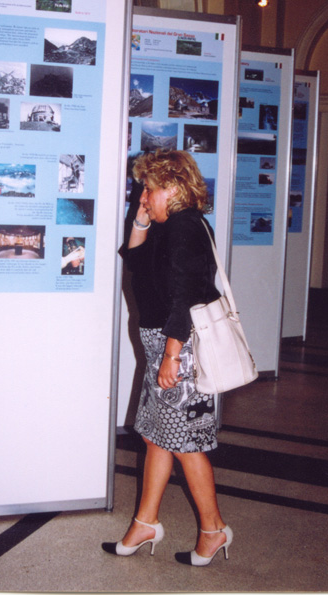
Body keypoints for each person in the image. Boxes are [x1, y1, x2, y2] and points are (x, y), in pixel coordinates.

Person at [102, 149, 232, 566]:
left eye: (149, 189)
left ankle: (214, 530)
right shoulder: (165, 225)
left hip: (179, 347)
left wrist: (172, 356)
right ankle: (145, 522)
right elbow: (135, 261)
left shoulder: (185, 227)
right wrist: (141, 220)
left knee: (186, 444)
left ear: (173, 188)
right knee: (156, 436)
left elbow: (186, 298)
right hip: (163, 344)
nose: (143, 196)